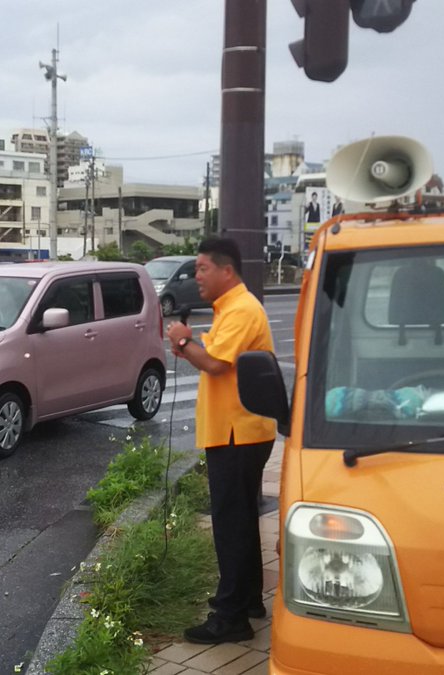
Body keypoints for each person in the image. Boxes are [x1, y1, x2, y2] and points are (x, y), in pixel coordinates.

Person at [166, 237, 277, 645]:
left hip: (237, 433)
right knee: (241, 520)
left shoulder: (242, 309)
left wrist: (181, 339)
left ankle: (231, 618)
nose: (196, 277)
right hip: (239, 431)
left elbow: (214, 364)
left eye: (201, 269)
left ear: (226, 270)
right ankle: (246, 600)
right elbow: (213, 357)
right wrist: (190, 345)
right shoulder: (232, 309)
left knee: (230, 524)